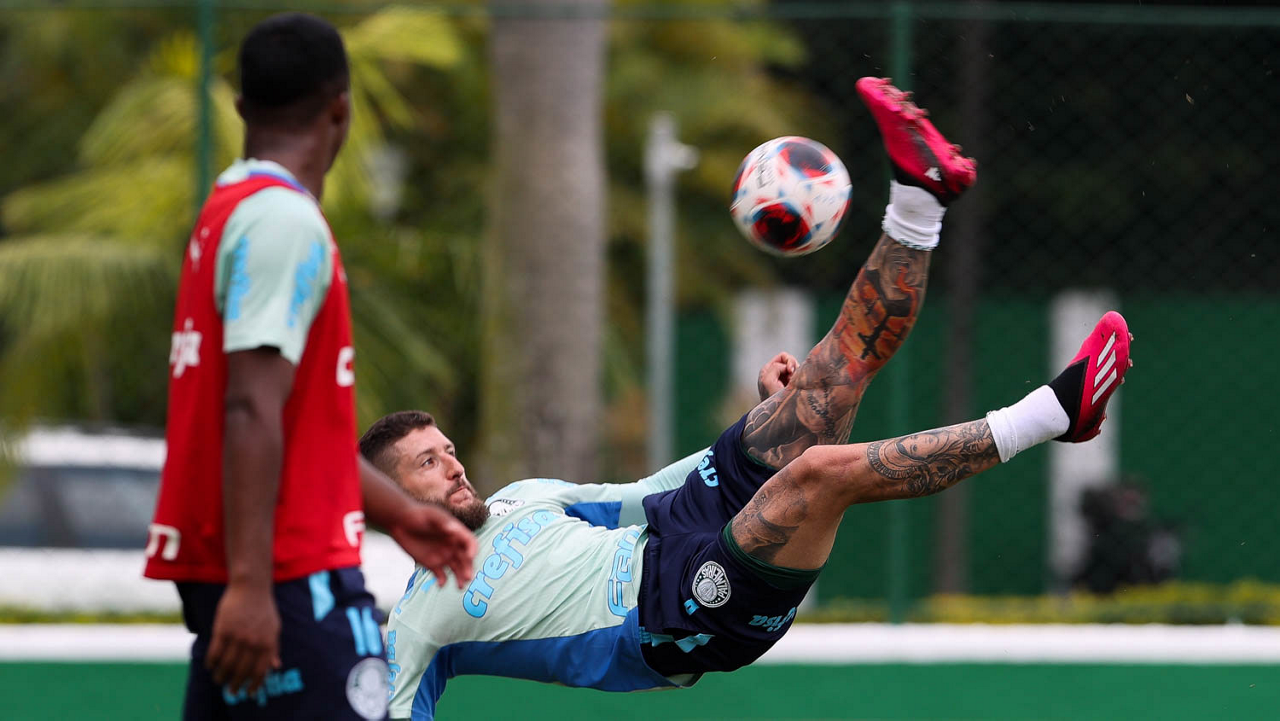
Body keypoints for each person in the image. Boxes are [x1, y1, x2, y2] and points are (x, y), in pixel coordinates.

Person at [367, 77, 1134, 720]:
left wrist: (762, 423)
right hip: (674, 618)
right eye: (427, 464)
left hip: (674, 523)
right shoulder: (420, 619)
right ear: (383, 498)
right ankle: (1052, 415)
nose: (453, 464)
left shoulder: (524, 499)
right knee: (817, 475)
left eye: (447, 449)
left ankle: (920, 198)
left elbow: (642, 493)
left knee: (822, 385)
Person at [142, 13, 476, 720]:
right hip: (290, 577)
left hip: (261, 575)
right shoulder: (283, 222)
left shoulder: (228, 210)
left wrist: (399, 514)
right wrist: (251, 586)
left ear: (242, 109)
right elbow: (250, 407)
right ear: (339, 109)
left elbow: (296, 431)